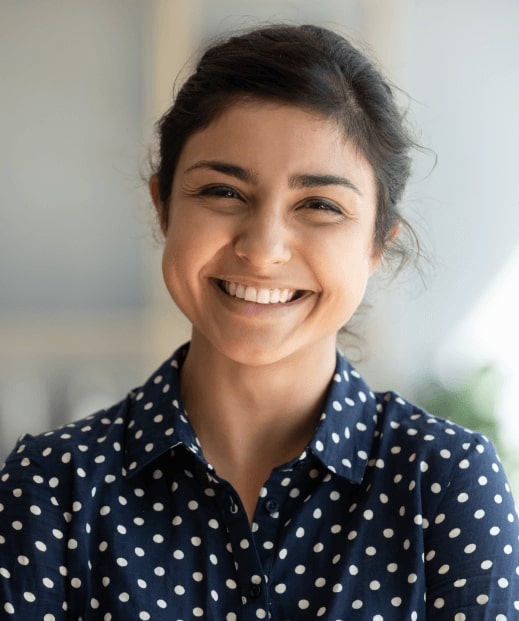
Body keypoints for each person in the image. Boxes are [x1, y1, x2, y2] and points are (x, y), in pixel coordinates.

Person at [1, 23, 518, 621]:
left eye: (320, 205)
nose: (264, 247)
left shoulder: (445, 483)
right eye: (223, 192)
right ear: (163, 206)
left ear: (377, 245)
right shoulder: (51, 488)